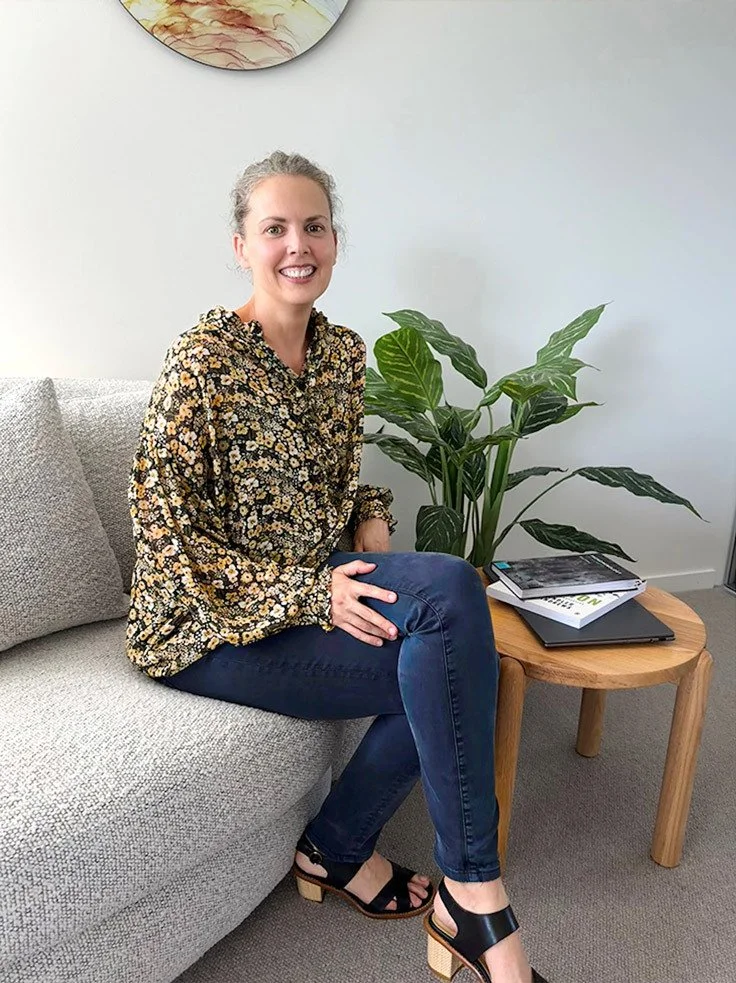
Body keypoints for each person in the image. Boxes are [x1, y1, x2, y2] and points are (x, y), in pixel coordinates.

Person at [125, 151, 548, 983]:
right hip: (203, 626)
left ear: (335, 240)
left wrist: (370, 514)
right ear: (240, 245)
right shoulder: (200, 363)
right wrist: (310, 589)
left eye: (313, 226)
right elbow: (164, 536)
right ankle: (473, 894)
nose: (297, 245)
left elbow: (336, 477)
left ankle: (335, 851)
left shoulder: (340, 353)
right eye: (274, 227)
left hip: (315, 581)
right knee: (456, 604)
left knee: (450, 661)